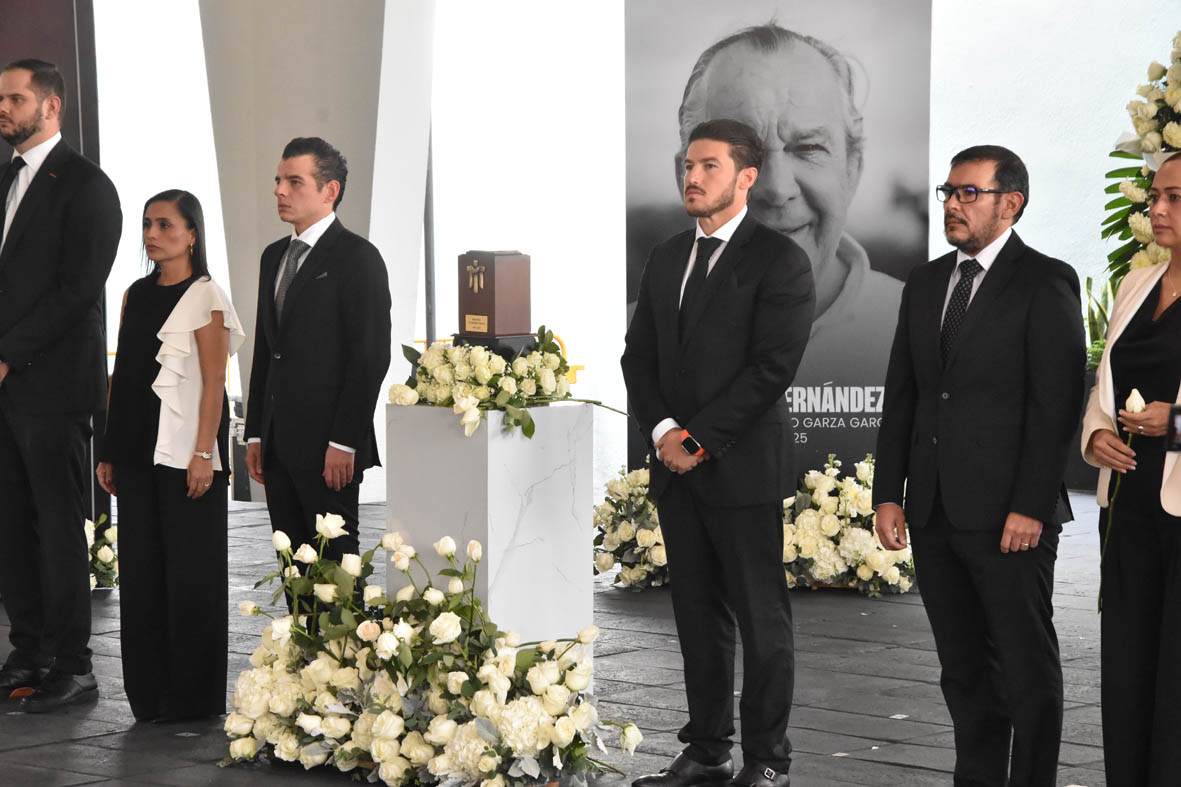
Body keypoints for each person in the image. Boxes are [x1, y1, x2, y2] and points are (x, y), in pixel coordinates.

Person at [874, 145, 1085, 786]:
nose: (953, 204)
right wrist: (888, 493)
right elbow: (904, 394)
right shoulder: (925, 282)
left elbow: (1056, 406)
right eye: (948, 192)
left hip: (1010, 517)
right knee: (963, 670)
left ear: (1010, 204)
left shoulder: (1045, 280)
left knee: (1025, 669)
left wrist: (1031, 505)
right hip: (935, 512)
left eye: (969, 193)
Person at [622, 118, 814, 787]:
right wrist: (663, 433)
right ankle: (707, 751)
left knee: (763, 623)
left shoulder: (779, 260)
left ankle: (767, 760)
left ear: (746, 177)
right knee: (696, 619)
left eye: (709, 166)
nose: (693, 177)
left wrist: (698, 440)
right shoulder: (667, 255)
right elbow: (638, 357)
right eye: (688, 165)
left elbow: (770, 369)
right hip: (675, 470)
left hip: (741, 471)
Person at [675, 24, 901, 387]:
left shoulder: (921, 332)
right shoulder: (623, 338)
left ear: (851, 170)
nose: (777, 189)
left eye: (809, 148)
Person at [0, 58, 121, 711]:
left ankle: (74, 666)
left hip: (52, 387)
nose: (3, 108)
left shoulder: (88, 186)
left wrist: (6, 355)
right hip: (6, 388)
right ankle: (28, 652)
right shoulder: (5, 181)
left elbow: (76, 291)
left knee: (57, 528)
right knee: (11, 527)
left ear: (51, 107)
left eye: (15, 98)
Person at [96, 190, 244, 722]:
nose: (151, 235)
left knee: (191, 576)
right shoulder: (134, 294)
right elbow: (123, 378)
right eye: (147, 224)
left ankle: (194, 699)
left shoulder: (207, 297)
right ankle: (149, 695)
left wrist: (205, 453)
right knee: (141, 576)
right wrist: (110, 451)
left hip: (187, 456)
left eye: (164, 224)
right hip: (136, 454)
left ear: (192, 234)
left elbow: (213, 384)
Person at [1080, 151, 1181, 786]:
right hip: (1127, 503)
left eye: (1176, 197)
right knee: (1128, 662)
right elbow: (1105, 387)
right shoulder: (1135, 284)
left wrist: (1177, 424)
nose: (1158, 208)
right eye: (1155, 196)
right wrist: (1095, 436)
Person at [245, 137, 391, 567]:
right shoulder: (273, 257)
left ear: (330, 190)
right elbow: (266, 352)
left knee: (336, 568)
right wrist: (255, 433)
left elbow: (370, 358)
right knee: (292, 566)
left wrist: (344, 441)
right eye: (278, 180)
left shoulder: (359, 258)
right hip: (276, 443)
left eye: (294, 181)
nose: (279, 190)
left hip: (330, 446)